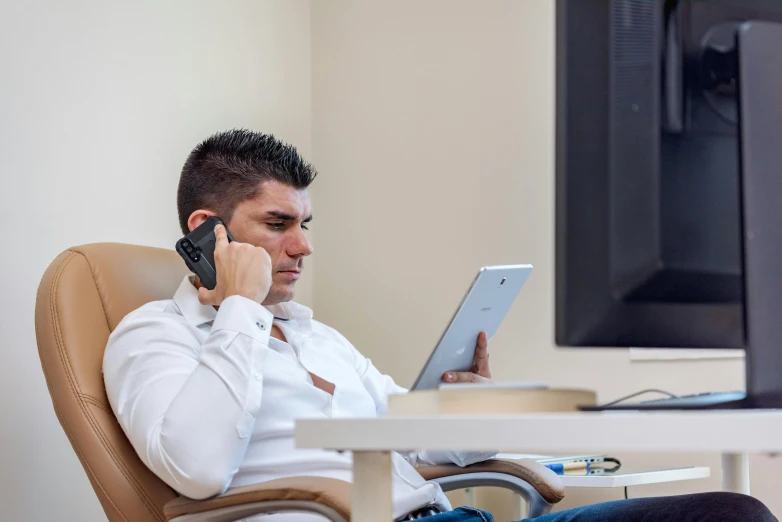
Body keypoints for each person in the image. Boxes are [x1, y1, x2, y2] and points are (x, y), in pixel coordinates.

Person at [103, 129, 776, 522]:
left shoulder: (318, 336)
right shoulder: (151, 335)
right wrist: (241, 311)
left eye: (305, 226)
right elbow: (195, 469)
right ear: (208, 230)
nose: (304, 247)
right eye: (279, 225)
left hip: (456, 519)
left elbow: (410, 440)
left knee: (726, 514)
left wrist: (463, 404)